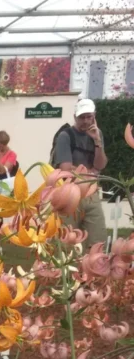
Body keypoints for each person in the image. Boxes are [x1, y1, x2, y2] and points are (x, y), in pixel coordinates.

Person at [51, 98, 108, 247]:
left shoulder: (97, 134)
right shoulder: (66, 136)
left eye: (89, 116)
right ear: (75, 117)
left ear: (94, 116)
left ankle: (90, 269)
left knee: (98, 241)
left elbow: (100, 165)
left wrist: (97, 142)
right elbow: (66, 169)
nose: (86, 121)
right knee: (66, 242)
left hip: (91, 194)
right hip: (69, 194)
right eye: (82, 117)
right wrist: (91, 173)